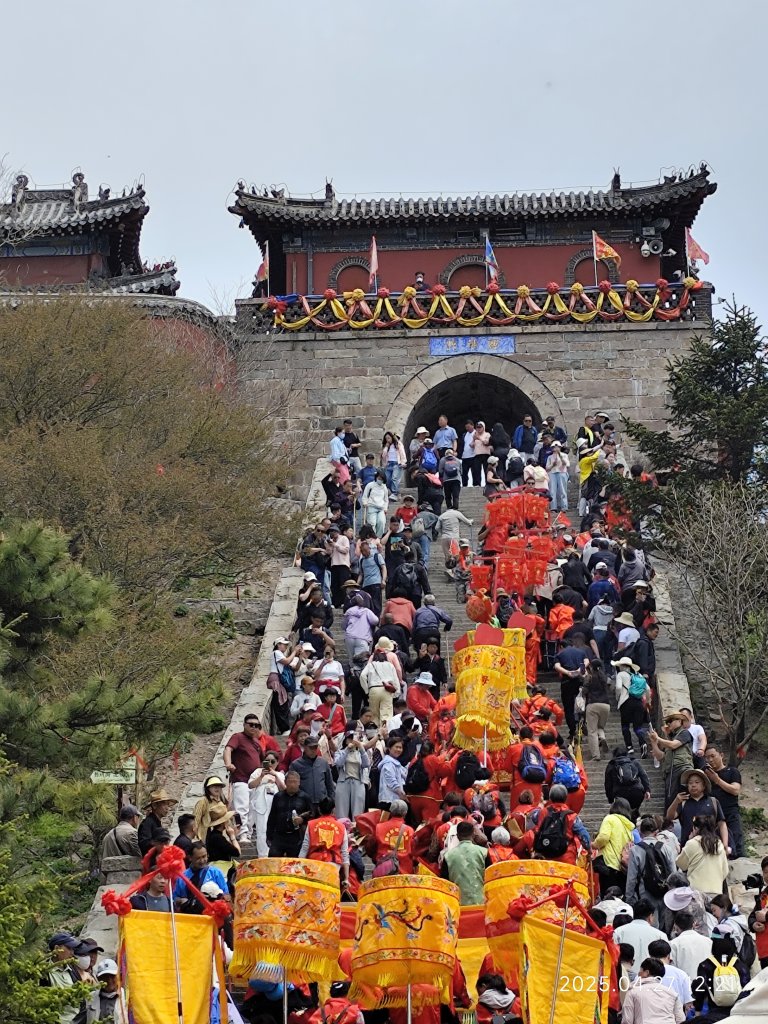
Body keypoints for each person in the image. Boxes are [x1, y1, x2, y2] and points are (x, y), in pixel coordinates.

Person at [516, 784, 590, 864]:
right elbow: (584, 836)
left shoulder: (541, 812)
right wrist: (589, 850)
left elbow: (530, 821)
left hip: (543, 855)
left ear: (550, 798)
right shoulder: (571, 816)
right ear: (566, 798)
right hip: (565, 858)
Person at [625, 816, 675, 920]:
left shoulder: (635, 850)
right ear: (656, 832)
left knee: (650, 922)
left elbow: (631, 878)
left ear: (640, 832)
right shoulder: (666, 848)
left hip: (646, 893)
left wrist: (629, 899)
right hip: (665, 893)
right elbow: (673, 874)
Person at [224, 715, 265, 840]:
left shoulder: (257, 742)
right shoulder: (238, 737)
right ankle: (242, 834)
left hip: (255, 781)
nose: (254, 727)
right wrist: (228, 763)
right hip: (241, 779)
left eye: (256, 725)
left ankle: (248, 832)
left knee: (253, 808)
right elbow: (228, 749)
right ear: (244, 724)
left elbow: (262, 759)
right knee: (242, 808)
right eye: (251, 724)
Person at [667, 767, 728, 848]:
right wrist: (675, 801)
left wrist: (725, 844)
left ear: (704, 785)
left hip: (710, 846)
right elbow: (670, 817)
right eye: (690, 783)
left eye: (697, 782)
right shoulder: (683, 802)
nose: (693, 785)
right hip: (688, 846)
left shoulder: (713, 801)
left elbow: (722, 824)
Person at [299, 798, 350, 888]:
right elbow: (345, 853)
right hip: (333, 865)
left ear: (319, 809)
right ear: (333, 810)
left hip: (314, 863)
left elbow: (305, 847)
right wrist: (346, 878)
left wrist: (299, 869)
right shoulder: (341, 827)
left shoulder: (311, 824)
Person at [648, 711, 694, 810]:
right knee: (670, 799)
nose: (668, 724)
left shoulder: (684, 733)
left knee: (680, 796)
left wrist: (659, 738)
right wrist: (654, 742)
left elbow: (673, 745)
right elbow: (661, 757)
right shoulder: (671, 739)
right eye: (667, 721)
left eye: (671, 721)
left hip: (681, 768)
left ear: (679, 721)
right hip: (670, 771)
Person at [704, 746, 744, 858]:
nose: (710, 760)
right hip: (713, 817)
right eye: (707, 758)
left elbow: (735, 790)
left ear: (721, 755)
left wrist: (717, 780)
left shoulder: (732, 771)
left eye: (713, 756)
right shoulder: (706, 776)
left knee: (737, 844)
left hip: (730, 813)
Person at [676, 815, 729, 899]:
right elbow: (725, 871)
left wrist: (688, 841)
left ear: (696, 828)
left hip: (696, 891)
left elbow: (681, 864)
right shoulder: (718, 844)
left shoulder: (692, 843)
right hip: (716, 891)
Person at [621, 957, 685, 1024]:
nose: (638, 974)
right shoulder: (672, 993)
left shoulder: (633, 992)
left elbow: (627, 1020)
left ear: (646, 972)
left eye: (640, 971)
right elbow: (680, 1019)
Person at [594, 797, 635, 895]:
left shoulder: (610, 818)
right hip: (622, 866)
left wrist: (594, 844)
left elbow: (604, 837)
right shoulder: (628, 825)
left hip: (609, 865)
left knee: (608, 897)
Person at [266, 770, 312, 856]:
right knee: (274, 862)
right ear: (285, 782)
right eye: (290, 782)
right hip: (279, 835)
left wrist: (303, 819)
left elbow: (312, 814)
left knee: (294, 865)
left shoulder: (305, 797)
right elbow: (272, 817)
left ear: (299, 783)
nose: (292, 785)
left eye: (295, 782)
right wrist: (269, 836)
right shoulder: (278, 797)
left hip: (296, 837)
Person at [248, 751, 285, 856]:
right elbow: (250, 785)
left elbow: (284, 789)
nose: (270, 763)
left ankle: (275, 854)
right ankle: (262, 856)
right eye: (267, 761)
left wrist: (275, 776)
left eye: (272, 761)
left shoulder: (280, 775)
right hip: (261, 805)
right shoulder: (257, 772)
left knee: (275, 829)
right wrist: (261, 777)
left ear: (277, 762)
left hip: (275, 805)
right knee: (261, 831)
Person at [442, 820, 488, 905]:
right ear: (473, 834)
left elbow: (445, 883)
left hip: (458, 904)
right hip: (481, 902)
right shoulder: (483, 852)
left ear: (458, 836)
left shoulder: (448, 856)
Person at [614, 899, 669, 969]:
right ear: (650, 917)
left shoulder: (618, 932)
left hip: (624, 975)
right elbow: (666, 962)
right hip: (651, 975)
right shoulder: (660, 935)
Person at [553, 634, 590, 739]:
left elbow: (557, 666)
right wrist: (579, 670)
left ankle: (572, 731)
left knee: (568, 708)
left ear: (561, 646)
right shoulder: (581, 652)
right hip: (579, 681)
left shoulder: (560, 655)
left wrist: (568, 672)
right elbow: (586, 662)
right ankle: (582, 723)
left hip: (567, 682)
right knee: (581, 704)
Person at [613, 656, 650, 757]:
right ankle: (643, 743)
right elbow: (647, 689)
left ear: (621, 666)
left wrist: (618, 697)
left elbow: (619, 687)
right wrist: (647, 701)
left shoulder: (621, 674)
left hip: (626, 703)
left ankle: (629, 747)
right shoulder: (638, 675)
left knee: (625, 726)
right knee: (637, 727)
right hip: (638, 703)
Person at [43, 931, 83, 1024]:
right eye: (69, 948)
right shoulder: (43, 972)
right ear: (57, 949)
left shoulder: (73, 970)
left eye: (73, 949)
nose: (72, 953)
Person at [290, 735, 335, 816]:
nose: (313, 750)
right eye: (311, 747)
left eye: (315, 747)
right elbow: (292, 786)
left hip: (322, 804)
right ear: (304, 747)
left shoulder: (323, 763)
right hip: (304, 804)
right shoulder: (296, 765)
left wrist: (332, 803)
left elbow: (330, 785)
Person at [267, 637, 302, 735]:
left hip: (280, 680)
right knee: (280, 703)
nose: (286, 646)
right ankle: (284, 729)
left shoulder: (281, 654)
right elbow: (286, 661)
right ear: (278, 644)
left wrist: (300, 657)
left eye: (287, 645)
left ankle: (285, 728)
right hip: (277, 679)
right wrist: (294, 651)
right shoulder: (276, 652)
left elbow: (294, 667)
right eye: (284, 644)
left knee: (283, 703)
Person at [173, 842, 227, 906]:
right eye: (198, 858)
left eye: (204, 856)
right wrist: (181, 901)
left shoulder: (215, 873)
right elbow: (175, 898)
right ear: (190, 858)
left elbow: (226, 895)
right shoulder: (182, 877)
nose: (202, 861)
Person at [360, 644, 400, 726]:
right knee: (386, 714)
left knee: (374, 714)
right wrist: (396, 693)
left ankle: (375, 733)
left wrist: (366, 690)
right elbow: (395, 680)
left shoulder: (371, 665)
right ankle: (385, 733)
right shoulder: (390, 665)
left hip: (373, 689)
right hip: (386, 690)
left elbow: (362, 676)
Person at [605, 746, 651, 815]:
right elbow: (643, 775)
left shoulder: (612, 764)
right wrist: (647, 790)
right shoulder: (634, 761)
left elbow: (608, 784)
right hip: (636, 792)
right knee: (634, 811)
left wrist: (610, 799)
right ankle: (635, 820)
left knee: (623, 814)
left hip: (620, 794)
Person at [334, 730, 370, 819]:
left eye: (353, 739)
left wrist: (361, 748)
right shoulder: (340, 752)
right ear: (345, 740)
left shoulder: (360, 753)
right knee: (341, 809)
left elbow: (366, 764)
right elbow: (338, 763)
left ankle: (356, 829)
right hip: (343, 781)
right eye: (349, 739)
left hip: (358, 781)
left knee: (358, 810)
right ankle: (342, 829)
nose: (352, 741)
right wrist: (346, 750)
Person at [670, 910, 713, 980]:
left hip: (685, 984)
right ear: (693, 924)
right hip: (706, 984)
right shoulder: (708, 941)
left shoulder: (674, 943)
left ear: (675, 926)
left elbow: (673, 968)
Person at [373, 799, 414, 871]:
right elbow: (414, 851)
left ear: (390, 812)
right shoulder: (409, 830)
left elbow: (371, 847)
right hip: (405, 871)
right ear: (405, 813)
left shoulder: (379, 827)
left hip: (385, 869)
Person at [582, 659, 611, 761]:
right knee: (600, 726)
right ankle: (602, 737)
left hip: (593, 704)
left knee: (592, 731)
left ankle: (596, 756)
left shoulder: (589, 677)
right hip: (606, 705)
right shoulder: (604, 677)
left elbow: (584, 691)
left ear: (591, 667)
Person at [137, 788, 177, 856]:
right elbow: (144, 844)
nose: (167, 808)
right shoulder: (148, 823)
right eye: (164, 804)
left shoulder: (156, 821)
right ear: (154, 806)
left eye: (168, 805)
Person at [193, 774, 228, 840]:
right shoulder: (203, 802)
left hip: (219, 836)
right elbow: (195, 820)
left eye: (219, 786)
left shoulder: (222, 802)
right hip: (205, 835)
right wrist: (197, 837)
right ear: (208, 788)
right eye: (214, 786)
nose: (217, 788)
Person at [378, 736, 408, 810]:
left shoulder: (396, 763)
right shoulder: (388, 764)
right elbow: (391, 781)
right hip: (388, 800)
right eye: (396, 747)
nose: (398, 749)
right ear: (389, 748)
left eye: (400, 747)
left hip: (395, 801)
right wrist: (401, 794)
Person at [91, 958, 126, 1022]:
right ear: (98, 978)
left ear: (118, 976)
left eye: (112, 976)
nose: (109, 980)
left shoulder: (126, 998)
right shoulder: (90, 998)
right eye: (105, 977)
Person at [362, 471, 389, 537]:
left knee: (381, 522)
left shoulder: (384, 487)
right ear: (376, 477)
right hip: (371, 507)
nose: (380, 480)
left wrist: (385, 508)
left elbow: (386, 500)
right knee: (372, 523)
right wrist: (364, 503)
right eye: (379, 478)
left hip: (381, 508)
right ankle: (372, 538)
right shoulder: (370, 485)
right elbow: (365, 496)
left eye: (381, 479)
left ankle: (378, 538)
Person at [546, 440, 570, 512]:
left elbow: (567, 464)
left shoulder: (565, 455)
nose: (556, 449)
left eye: (558, 447)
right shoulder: (550, 457)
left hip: (562, 473)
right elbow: (547, 468)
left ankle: (564, 507)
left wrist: (560, 456)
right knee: (552, 491)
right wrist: (553, 464)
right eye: (554, 447)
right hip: (552, 473)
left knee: (562, 490)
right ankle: (553, 507)